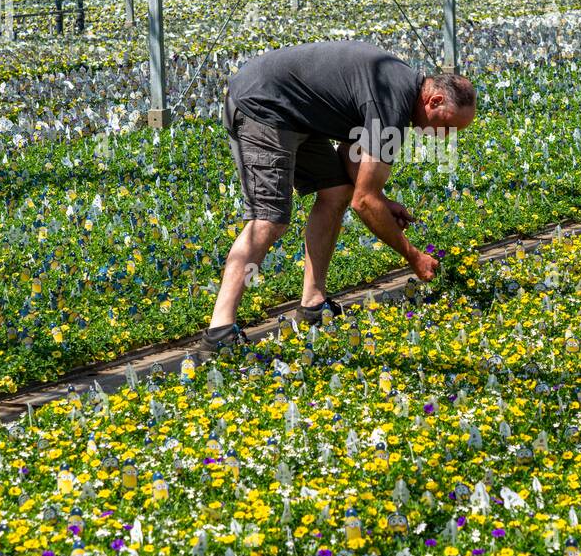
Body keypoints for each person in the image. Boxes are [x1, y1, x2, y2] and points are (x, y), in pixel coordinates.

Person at [189, 41, 476, 362]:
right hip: (263, 106)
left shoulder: (398, 88)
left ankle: (312, 303)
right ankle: (219, 331)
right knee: (268, 220)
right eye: (448, 126)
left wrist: (380, 197)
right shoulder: (392, 104)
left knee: (336, 191)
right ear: (434, 100)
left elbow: (351, 155)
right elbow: (363, 203)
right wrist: (413, 256)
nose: (445, 136)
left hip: (297, 113)